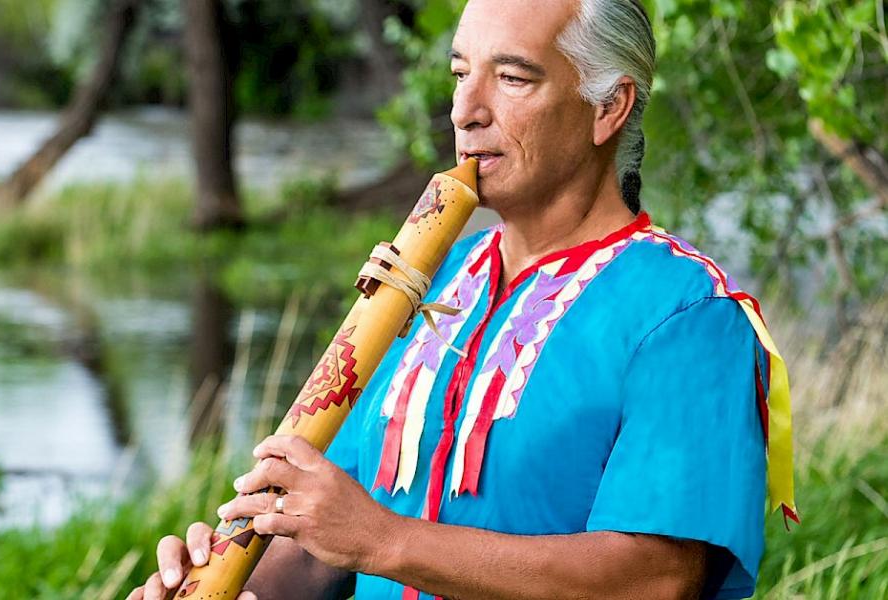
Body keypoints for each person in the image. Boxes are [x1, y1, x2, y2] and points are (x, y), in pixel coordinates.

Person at [130, 0, 796, 598]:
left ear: (607, 108)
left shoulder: (687, 313)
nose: (465, 110)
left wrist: (384, 541)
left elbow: (655, 579)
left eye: (511, 78)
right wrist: (224, 587)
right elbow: (323, 544)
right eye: (459, 74)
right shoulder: (432, 281)